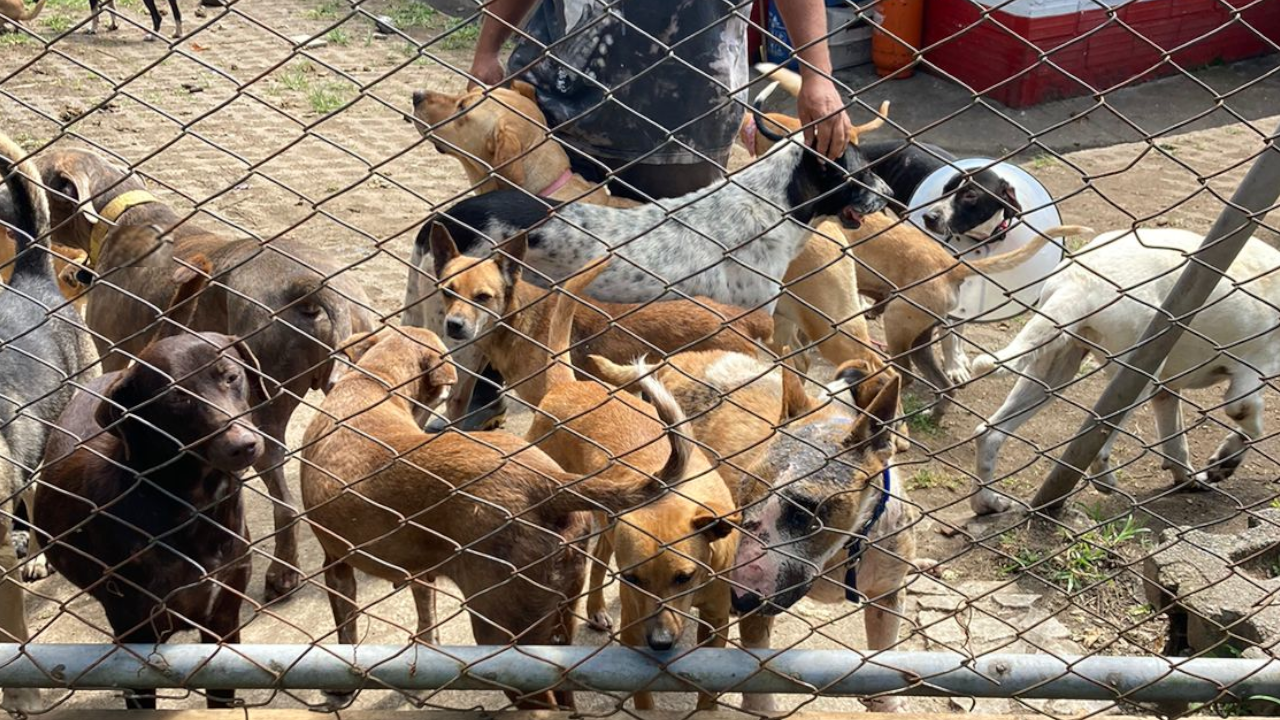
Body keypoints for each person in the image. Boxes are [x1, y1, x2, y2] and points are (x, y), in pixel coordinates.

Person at [468, 0, 852, 201]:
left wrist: (816, 74)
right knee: (523, 268)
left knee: (665, 289)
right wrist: (488, 49)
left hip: (684, 125)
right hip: (555, 104)